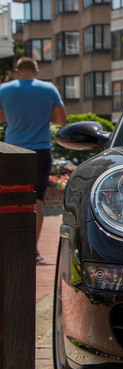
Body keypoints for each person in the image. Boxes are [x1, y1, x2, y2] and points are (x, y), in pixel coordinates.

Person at [0, 57, 66, 263]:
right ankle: (32, 249)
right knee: (36, 199)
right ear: (36, 71)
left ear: (17, 71)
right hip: (40, 150)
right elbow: (61, 120)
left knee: (7, 199)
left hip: (12, 151)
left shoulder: (4, 89)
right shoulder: (48, 90)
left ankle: (7, 248)